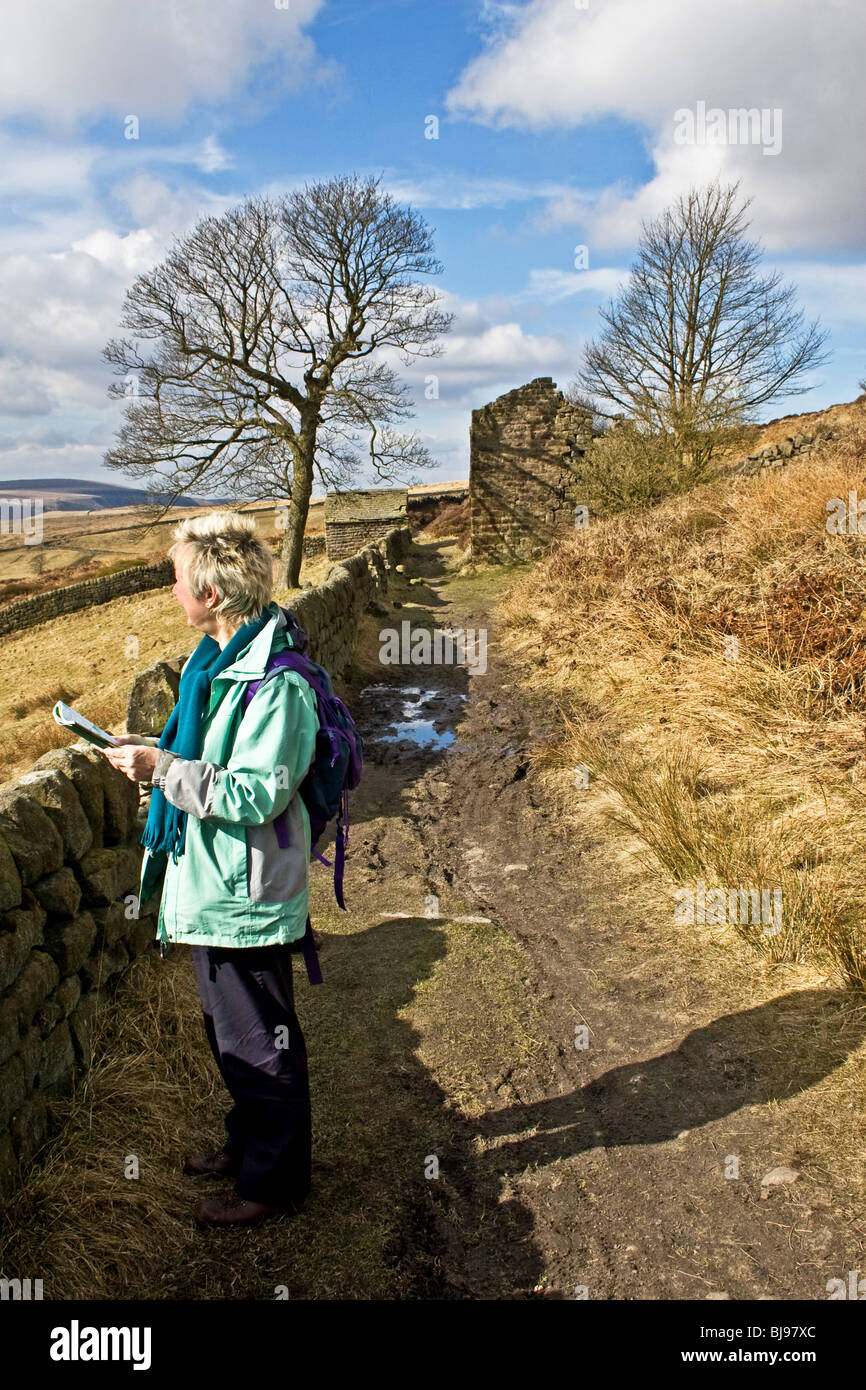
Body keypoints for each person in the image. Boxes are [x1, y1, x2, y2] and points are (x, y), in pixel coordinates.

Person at [103, 510, 319, 1227]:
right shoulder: (220, 667)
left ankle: (273, 1184)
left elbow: (257, 792)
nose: (171, 592)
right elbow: (210, 761)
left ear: (212, 595)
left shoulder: (276, 685)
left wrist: (160, 768)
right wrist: (158, 754)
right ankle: (245, 1148)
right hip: (213, 884)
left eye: (176, 581)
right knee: (232, 1037)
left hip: (245, 893)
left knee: (262, 1045)